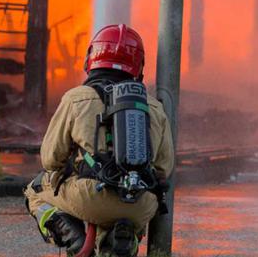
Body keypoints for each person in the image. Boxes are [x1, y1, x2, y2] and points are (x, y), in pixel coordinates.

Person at [24, 24, 175, 256]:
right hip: (140, 205)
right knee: (119, 217)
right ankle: (122, 240)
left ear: (91, 58)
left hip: (90, 197)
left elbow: (50, 159)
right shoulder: (154, 107)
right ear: (139, 65)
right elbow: (163, 170)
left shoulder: (76, 99)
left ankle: (72, 237)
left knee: (35, 190)